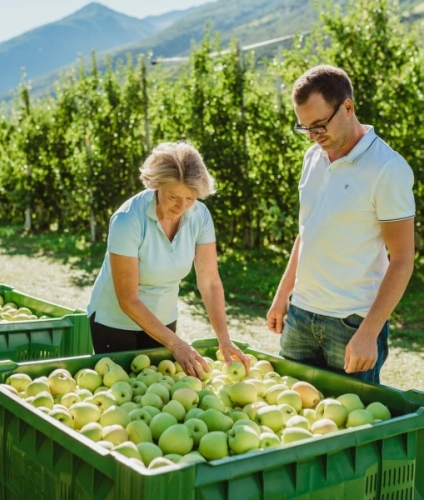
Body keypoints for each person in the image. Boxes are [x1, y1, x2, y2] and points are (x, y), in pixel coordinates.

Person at [266, 65, 415, 383]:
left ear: (348, 107)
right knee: (292, 421)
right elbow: (307, 231)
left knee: (353, 427)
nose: (314, 136)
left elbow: (402, 259)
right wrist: (283, 296)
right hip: (301, 316)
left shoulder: (387, 168)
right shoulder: (312, 157)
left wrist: (369, 332)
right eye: (305, 128)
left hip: (351, 323)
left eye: (319, 125)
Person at [87, 140, 250, 379]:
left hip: (164, 322)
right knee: (125, 394)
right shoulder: (127, 220)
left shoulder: (200, 216)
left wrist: (223, 339)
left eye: (191, 198)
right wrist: (176, 344)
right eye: (173, 196)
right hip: (115, 322)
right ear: (157, 185)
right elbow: (127, 299)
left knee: (159, 395)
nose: (182, 206)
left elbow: (210, 282)